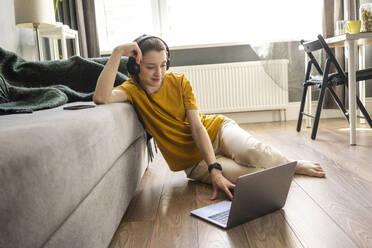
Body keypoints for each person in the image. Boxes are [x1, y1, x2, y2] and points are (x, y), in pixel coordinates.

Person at [93, 35, 326, 201]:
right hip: (194, 164)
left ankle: (294, 164)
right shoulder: (131, 90)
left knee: (253, 153)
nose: (159, 73)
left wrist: (215, 168)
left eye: (163, 65)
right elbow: (101, 97)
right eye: (151, 67)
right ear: (135, 67)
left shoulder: (179, 81)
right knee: (255, 178)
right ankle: (282, 165)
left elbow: (196, 126)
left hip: (216, 131)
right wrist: (117, 53)